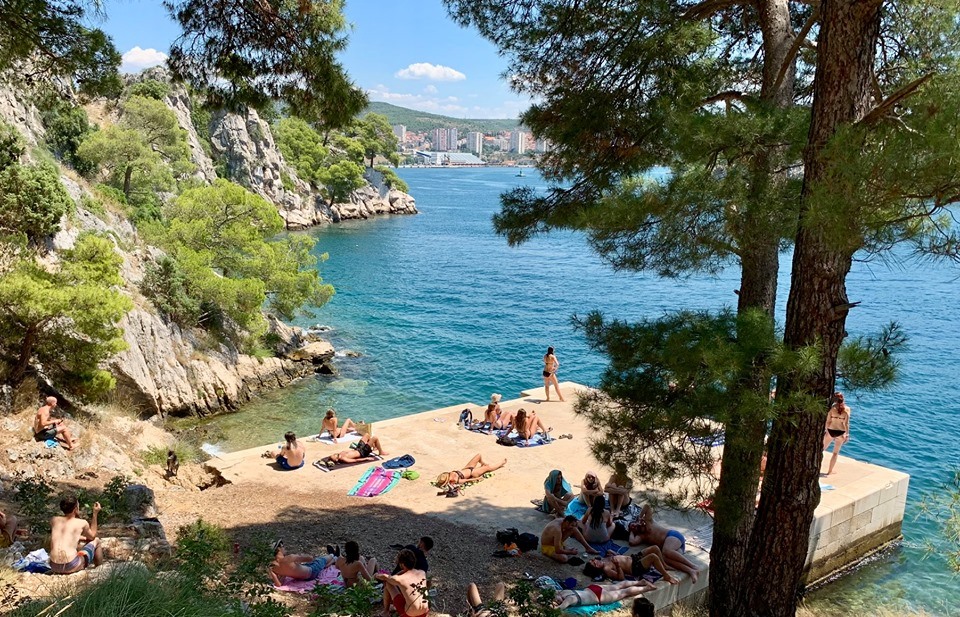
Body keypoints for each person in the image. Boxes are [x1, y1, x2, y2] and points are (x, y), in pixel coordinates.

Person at [628, 504, 699, 583]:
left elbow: (647, 506)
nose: (634, 526)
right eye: (633, 527)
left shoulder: (648, 521)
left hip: (674, 536)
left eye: (634, 524)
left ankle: (693, 565)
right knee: (665, 559)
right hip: (676, 549)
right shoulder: (641, 536)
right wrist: (631, 531)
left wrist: (640, 517)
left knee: (666, 551)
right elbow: (632, 542)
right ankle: (691, 571)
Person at [49, 495, 102, 574]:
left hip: (53, 565)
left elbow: (66, 535)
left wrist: (82, 538)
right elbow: (92, 536)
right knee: (96, 541)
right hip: (70, 565)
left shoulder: (54, 520)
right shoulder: (82, 523)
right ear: (75, 509)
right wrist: (95, 513)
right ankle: (99, 570)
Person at [583, 547, 679, 585]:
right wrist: (617, 566)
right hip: (635, 567)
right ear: (596, 569)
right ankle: (666, 576)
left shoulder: (603, 559)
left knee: (655, 548)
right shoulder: (606, 569)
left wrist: (613, 553)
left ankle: (664, 565)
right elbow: (620, 577)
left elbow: (618, 557)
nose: (596, 563)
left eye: (594, 561)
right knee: (653, 557)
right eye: (595, 565)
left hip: (634, 558)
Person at [376, 549, 428, 617]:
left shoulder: (399, 579)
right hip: (424, 612)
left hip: (409, 614)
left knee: (388, 583)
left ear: (402, 564)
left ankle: (386, 612)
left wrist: (376, 575)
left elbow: (385, 577)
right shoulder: (422, 572)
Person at [268, 540, 335, 586]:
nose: (284, 548)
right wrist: (299, 556)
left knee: (321, 566)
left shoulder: (273, 567)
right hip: (312, 572)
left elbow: (278, 584)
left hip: (300, 577)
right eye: (282, 546)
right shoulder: (290, 558)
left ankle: (333, 561)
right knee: (320, 560)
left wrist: (284, 573)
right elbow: (310, 558)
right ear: (279, 549)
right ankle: (333, 555)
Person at [554, 579, 655, 610]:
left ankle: (647, 588)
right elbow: (554, 592)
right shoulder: (564, 592)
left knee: (624, 592)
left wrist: (555, 605)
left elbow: (560, 608)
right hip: (592, 589)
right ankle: (640, 582)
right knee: (619, 585)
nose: (558, 601)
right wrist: (556, 597)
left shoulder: (569, 599)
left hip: (598, 596)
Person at [436, 454, 506, 489]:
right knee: (487, 468)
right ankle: (501, 463)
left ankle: (483, 463)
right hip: (473, 473)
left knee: (478, 455)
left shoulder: (450, 474)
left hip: (467, 468)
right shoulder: (454, 480)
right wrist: (476, 479)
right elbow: (467, 480)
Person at [823, 392, 851, 475]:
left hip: (831, 430)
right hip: (841, 432)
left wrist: (826, 431)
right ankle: (829, 471)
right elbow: (846, 424)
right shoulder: (847, 409)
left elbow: (828, 421)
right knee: (835, 453)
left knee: (822, 449)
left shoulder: (831, 409)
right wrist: (847, 434)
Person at [320, 434, 388, 467]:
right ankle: (380, 451)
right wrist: (366, 458)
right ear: (336, 460)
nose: (335, 454)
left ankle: (373, 447)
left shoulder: (340, 454)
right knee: (375, 438)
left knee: (367, 435)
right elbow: (355, 460)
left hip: (358, 448)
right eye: (335, 456)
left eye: (334, 454)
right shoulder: (343, 458)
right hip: (363, 452)